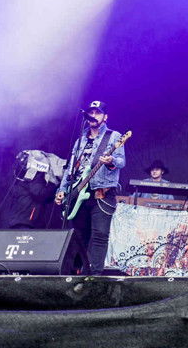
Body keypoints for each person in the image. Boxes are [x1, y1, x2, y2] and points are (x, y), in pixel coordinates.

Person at [55, 100, 126, 275]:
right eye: (91, 113)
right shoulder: (80, 141)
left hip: (101, 193)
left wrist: (110, 161)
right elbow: (70, 169)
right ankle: (75, 272)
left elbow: (121, 162)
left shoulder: (114, 136)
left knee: (100, 235)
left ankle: (94, 275)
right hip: (78, 191)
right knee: (79, 236)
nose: (93, 116)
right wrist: (62, 191)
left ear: (105, 117)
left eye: (97, 113)